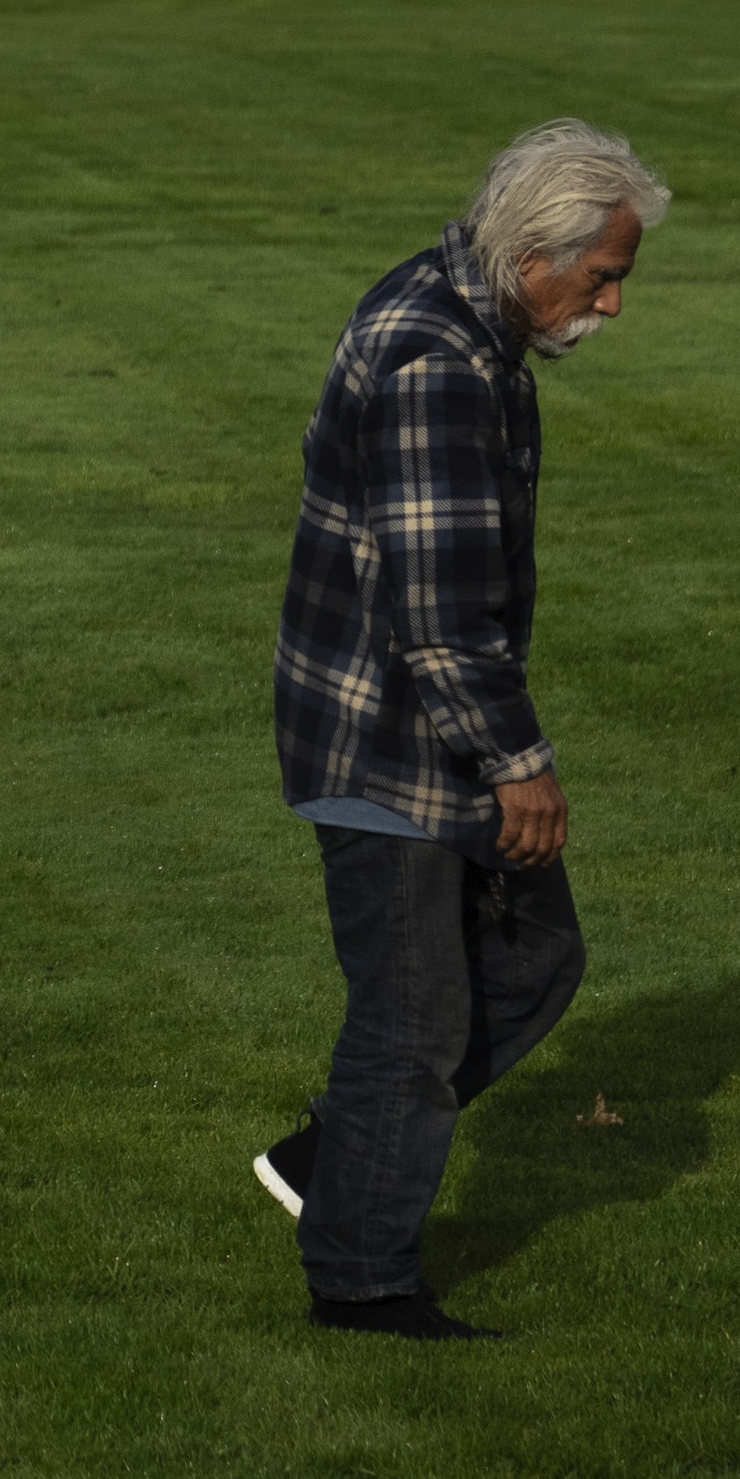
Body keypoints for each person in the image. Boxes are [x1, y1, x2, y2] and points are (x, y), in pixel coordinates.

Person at [255, 118, 671, 1340]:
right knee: (411, 1025)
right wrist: (521, 766)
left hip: (401, 726)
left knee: (536, 959)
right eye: (602, 277)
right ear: (532, 254)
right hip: (387, 741)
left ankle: (333, 1153)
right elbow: (438, 616)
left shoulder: (457, 304)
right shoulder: (438, 362)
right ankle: (362, 1282)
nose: (608, 305)